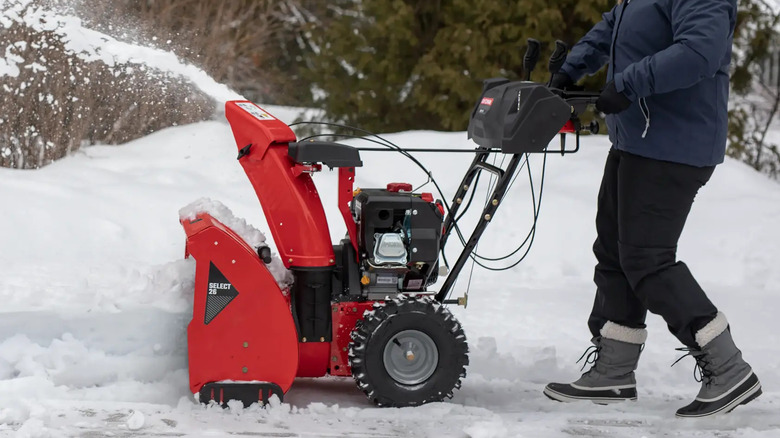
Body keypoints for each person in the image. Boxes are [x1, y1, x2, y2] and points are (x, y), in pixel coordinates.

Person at [542, 0, 761, 417]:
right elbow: (613, 28)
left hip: (674, 146)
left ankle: (728, 367)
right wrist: (570, 68)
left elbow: (699, 52)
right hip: (636, 139)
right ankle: (614, 371)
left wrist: (626, 84)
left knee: (647, 259)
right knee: (614, 254)